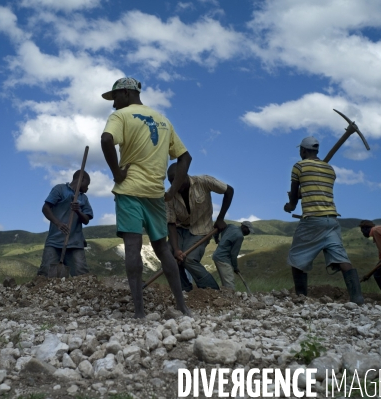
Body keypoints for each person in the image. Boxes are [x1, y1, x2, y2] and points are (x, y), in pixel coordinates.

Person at [100, 76, 192, 318]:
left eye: (115, 97)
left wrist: (117, 173)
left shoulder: (121, 116)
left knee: (133, 247)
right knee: (162, 248)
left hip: (129, 190)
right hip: (155, 194)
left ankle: (139, 312)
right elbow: (185, 158)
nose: (113, 104)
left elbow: (106, 139)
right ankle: (182, 306)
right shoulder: (163, 120)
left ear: (127, 94)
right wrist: (172, 191)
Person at [283, 135, 364, 305]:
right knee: (342, 259)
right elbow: (317, 188)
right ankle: (357, 298)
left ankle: (301, 298)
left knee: (297, 257)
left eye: (300, 150)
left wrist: (289, 205)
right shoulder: (330, 169)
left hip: (312, 219)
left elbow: (293, 202)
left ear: (303, 150)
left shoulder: (298, 166)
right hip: (332, 220)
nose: (300, 152)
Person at [166, 164, 234, 291]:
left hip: (201, 229)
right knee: (169, 256)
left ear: (185, 175)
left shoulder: (204, 181)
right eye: (171, 183)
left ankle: (212, 290)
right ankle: (185, 289)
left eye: (177, 182)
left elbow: (229, 190)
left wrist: (220, 219)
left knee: (189, 260)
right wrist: (175, 249)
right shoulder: (169, 196)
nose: (174, 186)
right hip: (180, 230)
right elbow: (170, 223)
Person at [37, 170, 93, 277]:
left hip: (75, 243)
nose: (88, 188)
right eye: (87, 184)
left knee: (82, 276)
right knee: (46, 274)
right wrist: (58, 223)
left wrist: (77, 211)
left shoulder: (83, 198)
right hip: (54, 242)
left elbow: (86, 220)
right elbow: (45, 208)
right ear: (82, 179)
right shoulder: (60, 189)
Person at [212, 221, 254, 290]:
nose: (248, 232)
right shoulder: (240, 236)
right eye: (248, 230)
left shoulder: (231, 226)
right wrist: (235, 267)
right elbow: (234, 254)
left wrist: (216, 238)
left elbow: (218, 229)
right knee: (229, 285)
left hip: (217, 256)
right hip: (223, 259)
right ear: (243, 226)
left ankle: (225, 299)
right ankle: (231, 300)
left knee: (225, 284)